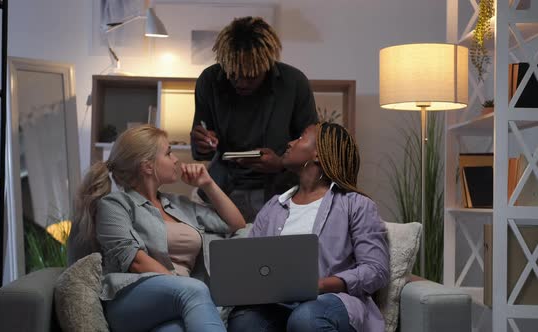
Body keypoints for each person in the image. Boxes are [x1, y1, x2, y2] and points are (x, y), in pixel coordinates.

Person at [68, 124, 246, 332]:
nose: (176, 160)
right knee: (195, 290)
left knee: (174, 330)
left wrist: (208, 184)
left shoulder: (179, 204)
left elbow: (236, 224)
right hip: (131, 297)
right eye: (169, 153)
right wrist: (183, 287)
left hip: (179, 299)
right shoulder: (115, 205)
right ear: (147, 166)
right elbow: (135, 261)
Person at [227, 122, 390, 332]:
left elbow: (376, 270)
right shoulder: (273, 207)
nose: (290, 142)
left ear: (318, 155)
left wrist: (324, 284)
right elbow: (251, 261)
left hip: (332, 301)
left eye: (301, 138)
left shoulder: (356, 204)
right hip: (276, 304)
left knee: (305, 318)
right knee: (243, 320)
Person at [190, 16, 318, 223]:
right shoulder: (209, 81)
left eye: (251, 76)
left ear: (266, 64)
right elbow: (200, 147)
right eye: (233, 75)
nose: (240, 83)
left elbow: (313, 148)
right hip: (223, 190)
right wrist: (202, 143)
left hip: (280, 193)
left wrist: (281, 163)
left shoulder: (293, 83)